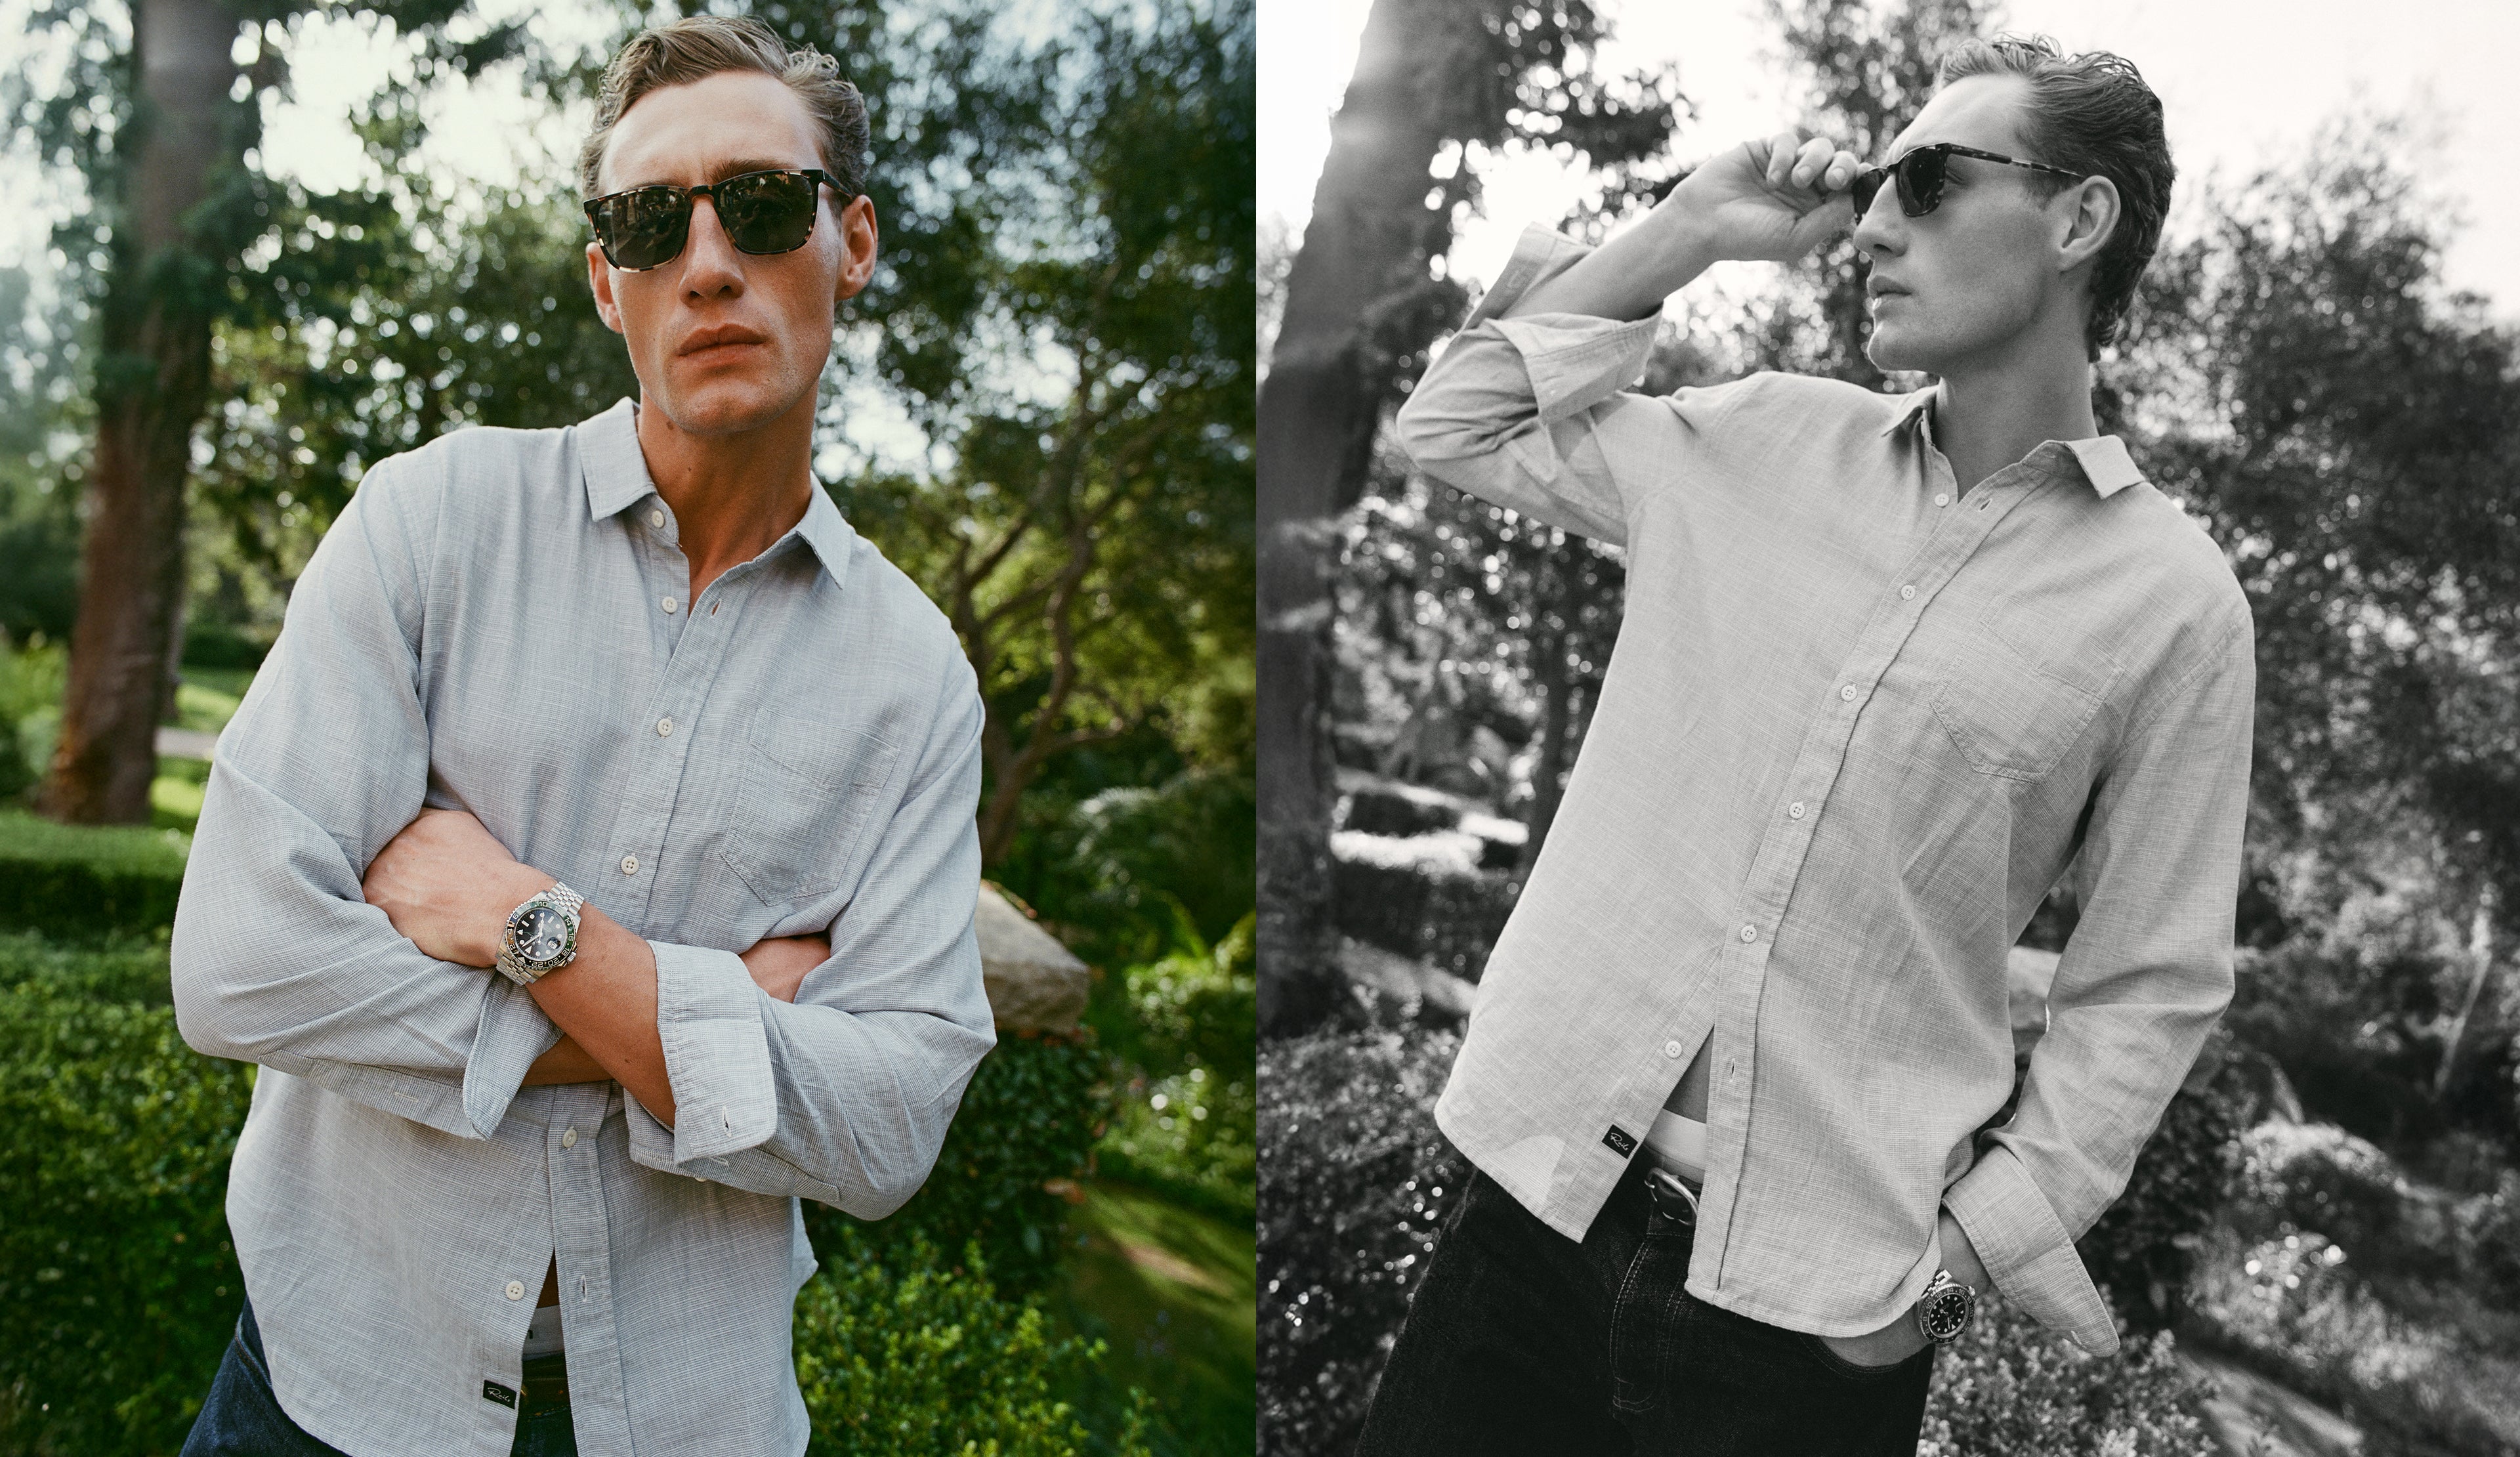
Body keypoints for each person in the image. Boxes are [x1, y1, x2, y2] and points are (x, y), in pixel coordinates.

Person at [1357, 34, 2254, 1456]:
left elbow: (2151, 988)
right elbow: (1450, 425)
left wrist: (1945, 1296)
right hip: (1524, 1220)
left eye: (1932, 179)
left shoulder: (2176, 609)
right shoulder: (1759, 440)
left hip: (1819, 1349)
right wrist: (1694, 226)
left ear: (2080, 221)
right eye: (1877, 183)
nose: (1879, 221)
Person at [168, 16, 993, 1456]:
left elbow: (890, 1127)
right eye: (647, 223)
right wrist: (729, 1011)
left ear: (850, 239)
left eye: (759, 202)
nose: (710, 261)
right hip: (328, 1383)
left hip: (689, 1412)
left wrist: (520, 920)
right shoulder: (432, 523)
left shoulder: (916, 679)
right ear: (607, 283)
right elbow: (237, 967)